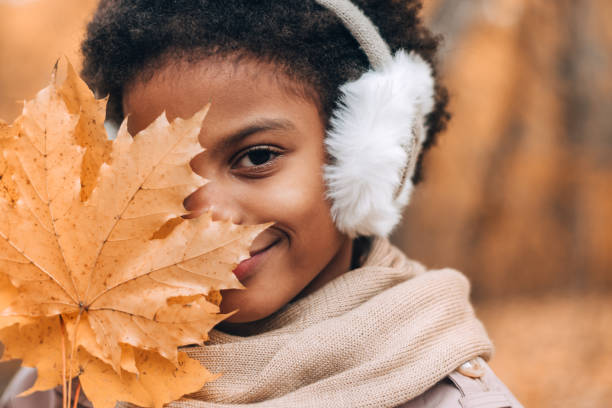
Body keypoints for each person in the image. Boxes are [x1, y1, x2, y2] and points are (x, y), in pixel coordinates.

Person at [2, 0, 523, 407]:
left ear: (363, 155)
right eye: (163, 174)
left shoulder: (448, 395)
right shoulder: (72, 373)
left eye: (256, 158)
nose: (208, 216)